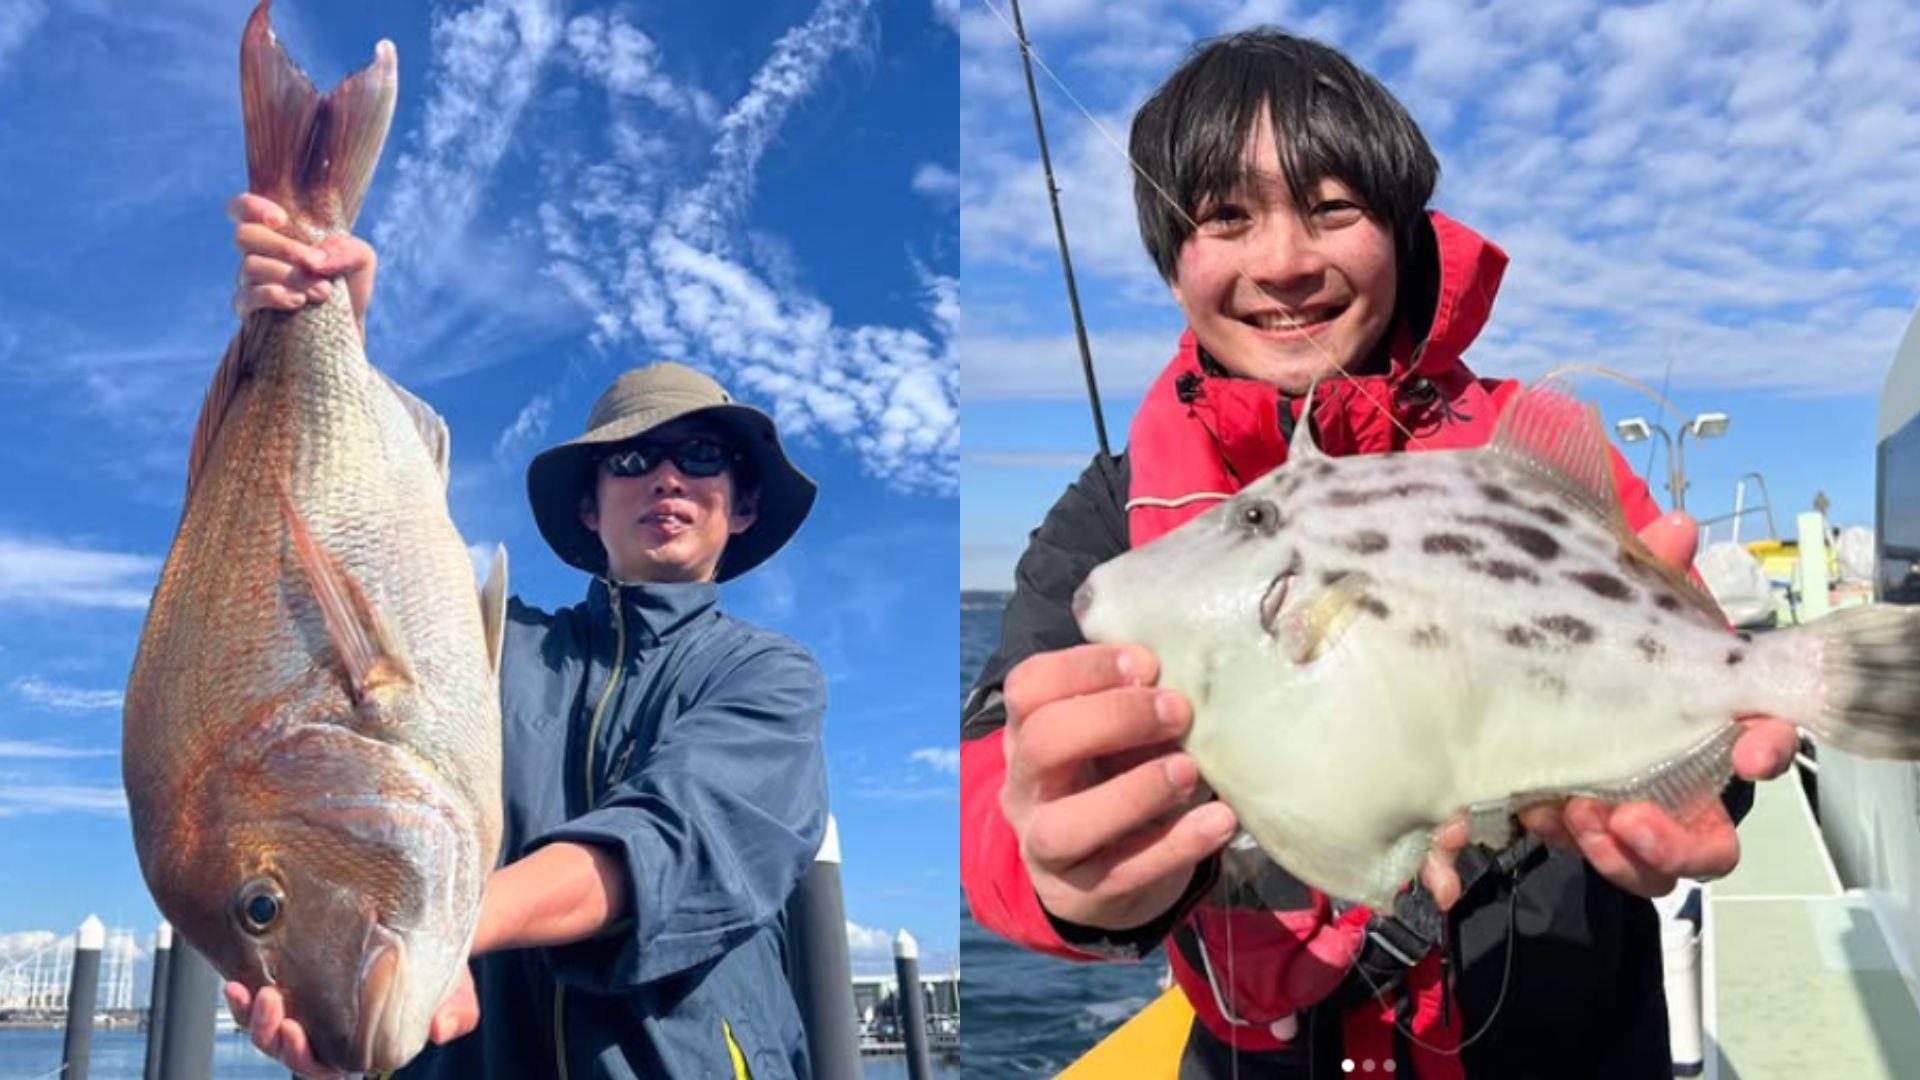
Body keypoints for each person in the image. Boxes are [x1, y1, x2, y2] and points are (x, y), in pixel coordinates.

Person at [958, 28, 1801, 1079]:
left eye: (1333, 208)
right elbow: (997, 781)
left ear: (1399, 230)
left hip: (1567, 1045)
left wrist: (1706, 779)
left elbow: (1712, 723)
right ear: (1174, 262)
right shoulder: (1108, 513)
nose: (1283, 262)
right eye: (1225, 216)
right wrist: (1062, 871)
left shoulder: (1523, 457)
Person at [220, 194, 830, 1080]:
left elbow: (674, 843)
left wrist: (411, 938)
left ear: (739, 506)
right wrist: (321, 326)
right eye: (631, 458)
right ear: (591, 501)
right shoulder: (490, 651)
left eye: (701, 456)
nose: (665, 478)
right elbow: (329, 578)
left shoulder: (768, 675)